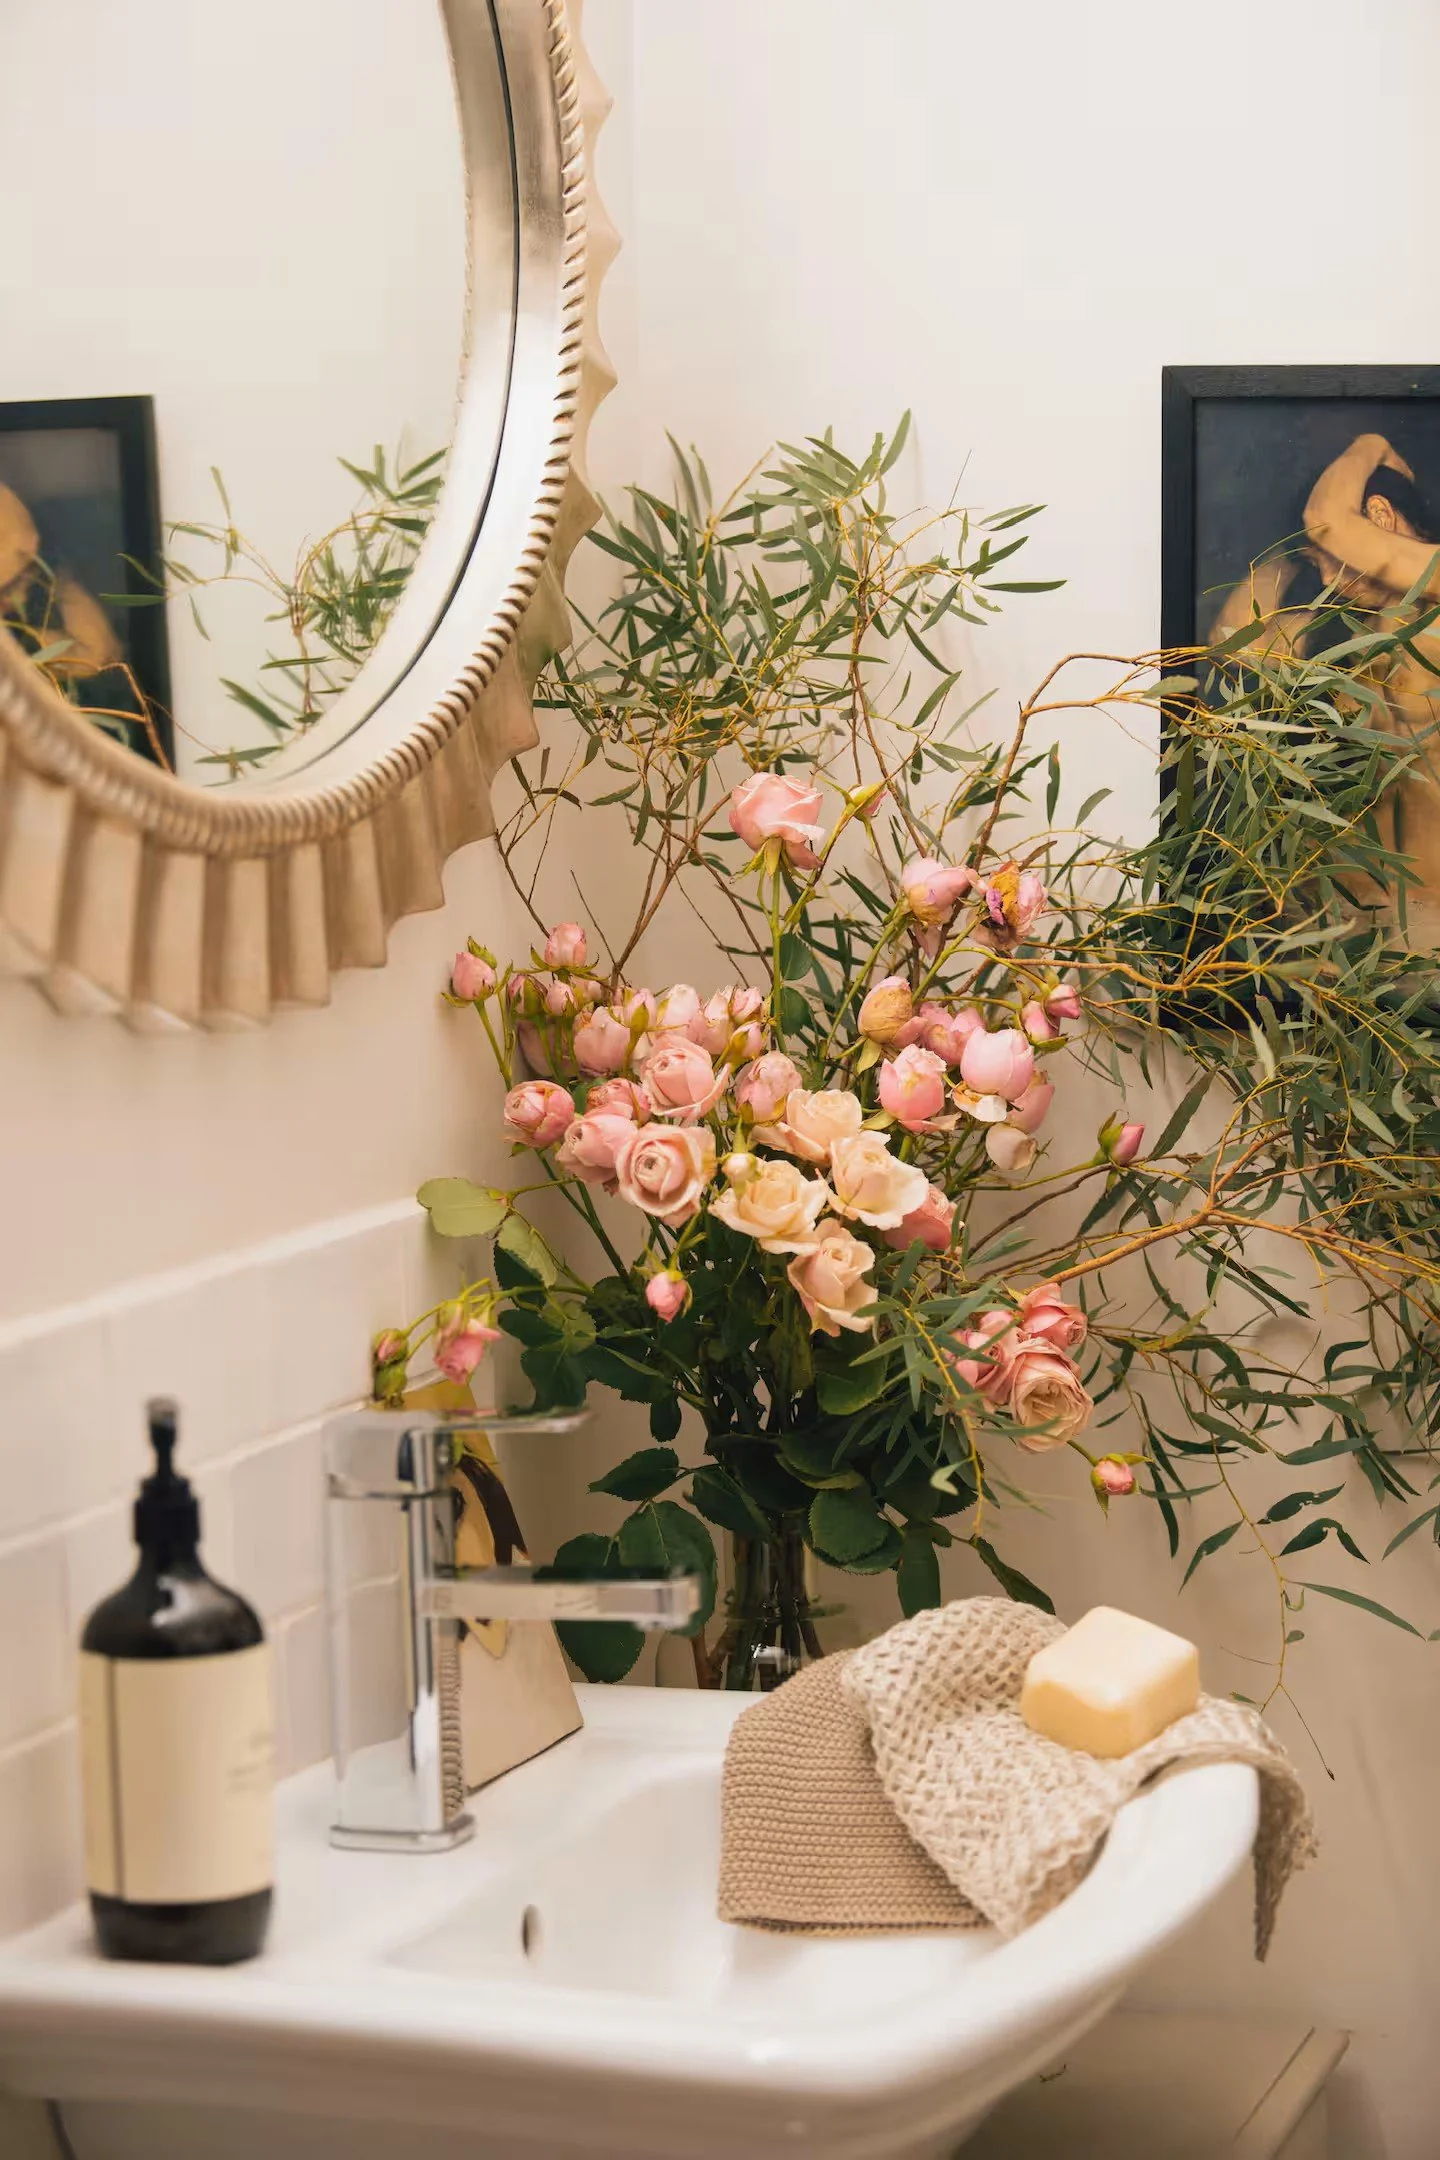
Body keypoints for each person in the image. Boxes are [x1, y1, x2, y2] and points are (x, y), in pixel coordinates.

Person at [1208, 433, 1440, 945]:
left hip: (1432, 923)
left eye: (1331, 558)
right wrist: (1290, 559)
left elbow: (1326, 516)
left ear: (1378, 516)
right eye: (1321, 565)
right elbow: (1231, 644)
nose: (1331, 579)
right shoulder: (1341, 631)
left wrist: (1369, 445)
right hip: (1344, 925)